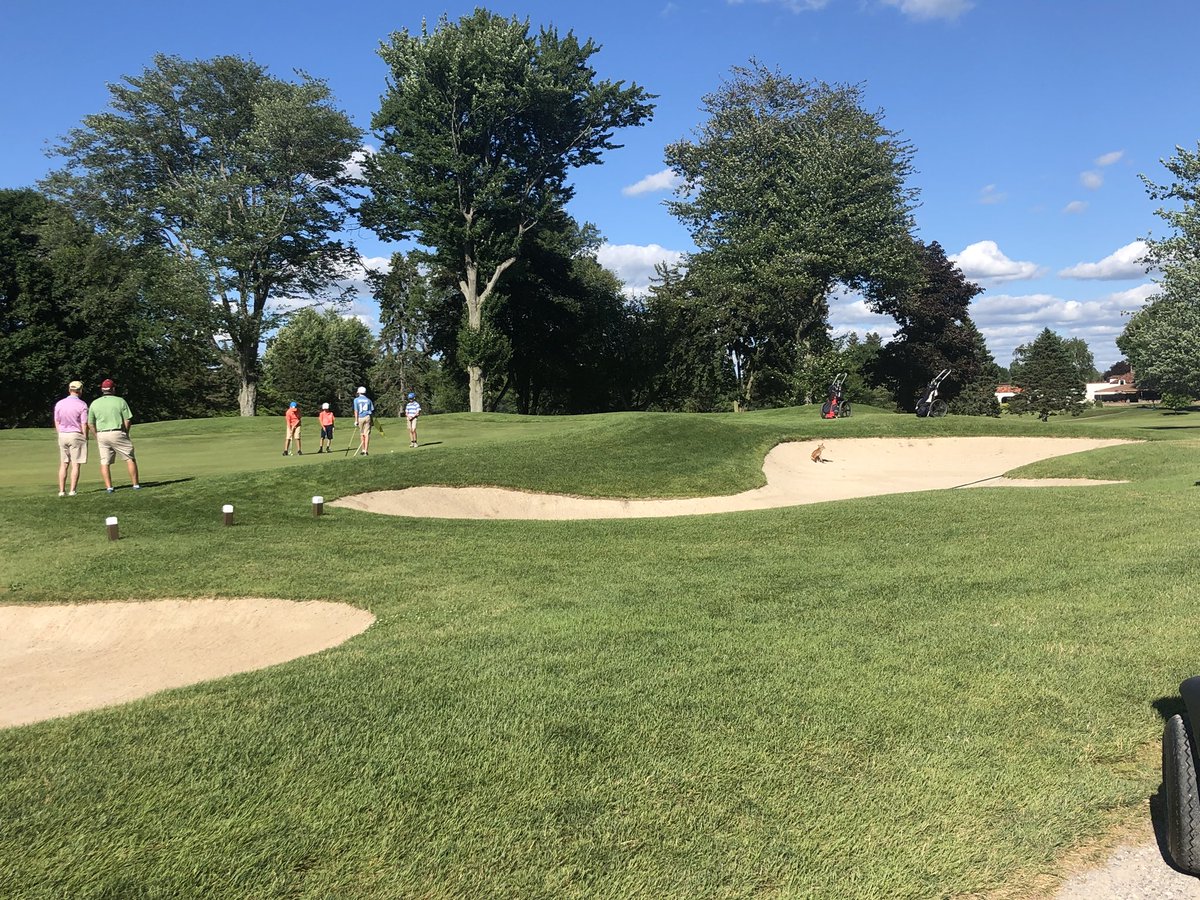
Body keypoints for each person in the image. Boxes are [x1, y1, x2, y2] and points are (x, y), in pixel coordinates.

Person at [87, 378, 140, 493]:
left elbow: (90, 423)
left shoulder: (94, 403)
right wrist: (126, 432)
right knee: (129, 458)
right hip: (117, 432)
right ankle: (135, 485)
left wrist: (96, 435)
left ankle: (109, 487)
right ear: (113, 389)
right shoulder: (120, 401)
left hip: (102, 434)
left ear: (102, 389)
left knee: (104, 462)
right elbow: (127, 420)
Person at [53, 380, 90, 496]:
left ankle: (61, 491)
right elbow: (84, 423)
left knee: (64, 464)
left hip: (63, 434)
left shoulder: (59, 403)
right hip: (76, 435)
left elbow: (57, 421)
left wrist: (59, 433)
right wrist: (85, 437)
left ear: (69, 390)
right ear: (80, 390)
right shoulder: (82, 405)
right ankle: (72, 490)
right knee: (75, 464)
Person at [352, 386, 374, 456]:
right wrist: (372, 421)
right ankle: (366, 451)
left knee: (362, 434)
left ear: (359, 392)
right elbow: (371, 412)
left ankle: (363, 449)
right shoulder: (368, 400)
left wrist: (356, 420)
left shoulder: (356, 400)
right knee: (367, 434)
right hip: (367, 417)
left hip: (360, 418)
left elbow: (356, 411)